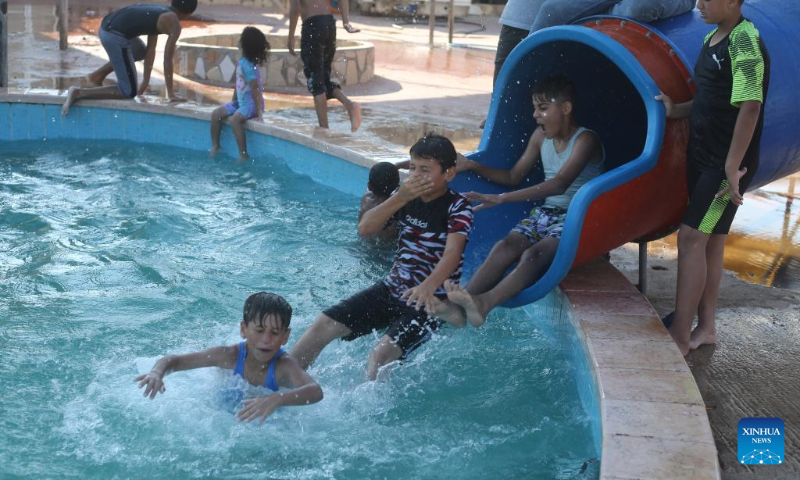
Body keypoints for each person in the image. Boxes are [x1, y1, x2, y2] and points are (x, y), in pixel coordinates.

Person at [290, 134, 473, 380]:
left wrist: (428, 287)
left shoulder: (457, 207)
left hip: (430, 300)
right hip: (393, 288)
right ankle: (279, 381)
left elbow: (453, 253)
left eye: (426, 170)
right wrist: (400, 197)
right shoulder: (406, 198)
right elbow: (365, 229)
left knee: (380, 357)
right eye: (413, 168)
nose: (416, 176)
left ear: (448, 173)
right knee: (323, 323)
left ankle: (369, 414)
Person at [434, 75, 604, 327]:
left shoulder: (585, 140)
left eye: (543, 108)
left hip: (578, 218)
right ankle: (463, 302)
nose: (535, 115)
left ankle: (485, 303)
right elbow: (513, 176)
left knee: (534, 255)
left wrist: (501, 199)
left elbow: (560, 184)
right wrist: (473, 164)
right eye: (534, 108)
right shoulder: (540, 136)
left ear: (566, 108)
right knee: (505, 246)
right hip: (546, 212)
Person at [655, 0, 769, 355]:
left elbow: (751, 106)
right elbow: (710, 97)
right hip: (704, 156)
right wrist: (677, 110)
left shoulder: (744, 39)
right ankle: (706, 328)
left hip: (724, 164)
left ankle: (680, 336)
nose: (699, 4)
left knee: (690, 239)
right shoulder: (712, 39)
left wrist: (732, 168)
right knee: (712, 241)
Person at [134, 292, 323, 424]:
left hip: (266, 414)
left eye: (275, 333)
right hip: (223, 406)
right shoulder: (228, 356)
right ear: (243, 330)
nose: (266, 340)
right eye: (259, 330)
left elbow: (315, 391)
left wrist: (278, 399)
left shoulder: (284, 366)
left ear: (285, 337)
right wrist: (156, 373)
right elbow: (174, 361)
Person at [61, 0, 198, 116]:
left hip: (107, 27)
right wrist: (171, 94)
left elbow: (151, 51)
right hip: (114, 35)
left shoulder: (162, 12)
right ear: (190, 13)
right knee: (128, 91)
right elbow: (167, 60)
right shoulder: (173, 23)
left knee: (139, 51)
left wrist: (145, 82)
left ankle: (97, 76)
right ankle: (79, 93)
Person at [287, 0, 362, 132]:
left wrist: (291, 37)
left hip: (312, 26)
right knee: (324, 79)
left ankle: (324, 130)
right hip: (329, 23)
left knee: (316, 83)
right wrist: (346, 22)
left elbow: (294, 8)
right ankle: (350, 106)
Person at [209, 27, 270, 160]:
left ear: (244, 45)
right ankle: (216, 146)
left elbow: (255, 89)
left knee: (235, 120)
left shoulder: (248, 66)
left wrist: (259, 112)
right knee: (216, 115)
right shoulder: (243, 62)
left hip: (251, 105)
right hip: (242, 103)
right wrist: (232, 103)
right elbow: (239, 84)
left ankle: (243, 154)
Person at [358, 162, 400, 239]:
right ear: (397, 187)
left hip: (361, 245)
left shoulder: (366, 199)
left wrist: (397, 165)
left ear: (369, 186)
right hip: (387, 250)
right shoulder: (398, 206)